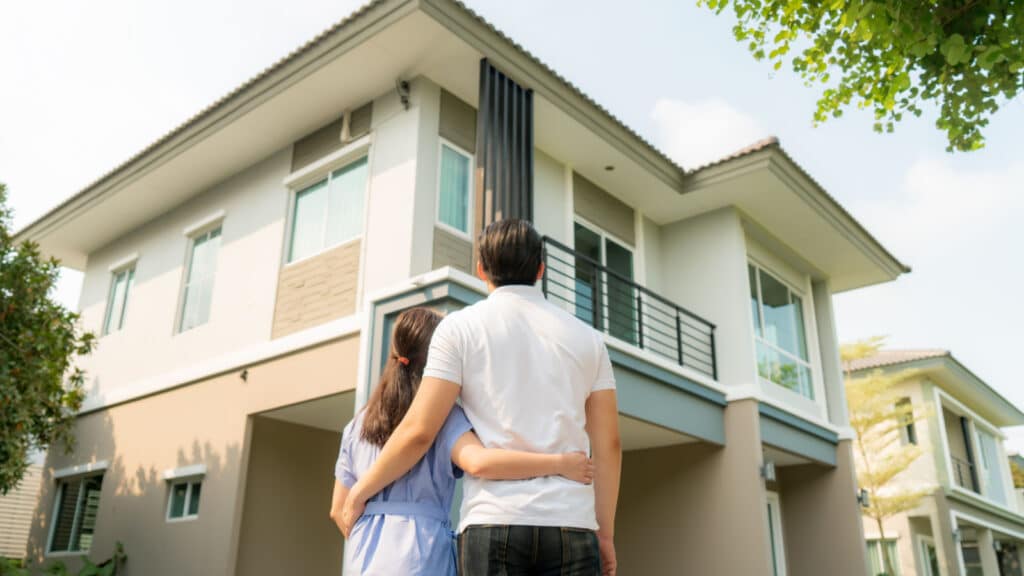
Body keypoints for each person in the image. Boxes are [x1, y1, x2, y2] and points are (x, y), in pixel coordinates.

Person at [340, 219, 623, 576]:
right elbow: (609, 443)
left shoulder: (458, 329)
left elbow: (419, 431)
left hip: (493, 521)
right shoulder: (590, 340)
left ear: (480, 269)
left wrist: (360, 491)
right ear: (540, 269)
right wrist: (606, 534)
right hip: (572, 522)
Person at [329, 307, 596, 575]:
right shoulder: (442, 418)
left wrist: (372, 539)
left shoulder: (357, 425)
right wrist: (560, 463)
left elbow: (338, 510)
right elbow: (479, 463)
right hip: (421, 554)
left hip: (362, 557)